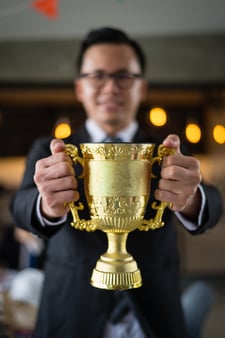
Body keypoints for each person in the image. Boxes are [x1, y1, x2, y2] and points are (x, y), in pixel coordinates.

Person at [10, 27, 223, 338]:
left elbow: (214, 204)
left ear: (142, 88)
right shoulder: (49, 150)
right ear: (80, 88)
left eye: (123, 76)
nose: (110, 87)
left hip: (154, 314)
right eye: (97, 76)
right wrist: (46, 204)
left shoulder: (166, 150)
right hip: (70, 312)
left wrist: (191, 199)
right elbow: (20, 205)